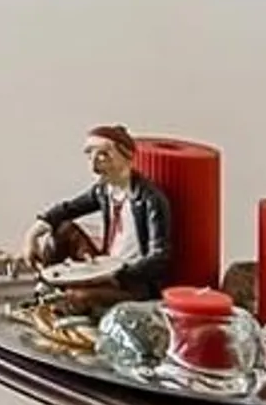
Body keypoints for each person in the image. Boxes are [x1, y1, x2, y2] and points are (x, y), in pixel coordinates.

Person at [33, 123, 172, 291]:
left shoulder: (150, 199)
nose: (94, 166)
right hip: (105, 264)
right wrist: (32, 235)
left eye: (104, 155)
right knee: (63, 230)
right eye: (90, 155)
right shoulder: (104, 191)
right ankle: (47, 286)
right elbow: (67, 209)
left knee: (79, 297)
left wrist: (119, 275)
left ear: (127, 156)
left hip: (130, 278)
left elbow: (159, 257)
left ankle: (72, 300)